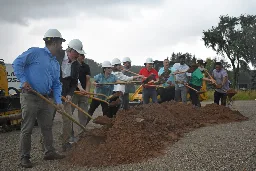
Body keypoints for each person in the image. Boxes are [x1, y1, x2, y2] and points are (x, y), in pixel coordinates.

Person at [12, 29, 66, 168]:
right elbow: (17, 63)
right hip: (30, 96)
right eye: (60, 43)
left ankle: (49, 152)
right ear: (54, 42)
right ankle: (24, 157)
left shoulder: (55, 63)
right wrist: (23, 80)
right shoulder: (35, 52)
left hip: (45, 98)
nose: (61, 46)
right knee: (27, 127)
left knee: (47, 127)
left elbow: (57, 83)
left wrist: (58, 101)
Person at [55, 39, 86, 151]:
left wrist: (69, 94)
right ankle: (46, 146)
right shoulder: (57, 56)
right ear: (70, 50)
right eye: (76, 52)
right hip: (51, 92)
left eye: (79, 53)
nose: (78, 55)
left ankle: (65, 142)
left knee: (68, 119)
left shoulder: (77, 65)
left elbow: (73, 83)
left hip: (65, 94)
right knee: (48, 121)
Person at [71, 53, 91, 134]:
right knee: (69, 112)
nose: (83, 57)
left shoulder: (86, 67)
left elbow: (88, 80)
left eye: (84, 55)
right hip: (73, 93)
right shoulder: (72, 65)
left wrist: (87, 91)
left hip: (83, 94)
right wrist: (80, 89)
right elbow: (74, 79)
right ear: (77, 55)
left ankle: (82, 133)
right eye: (81, 55)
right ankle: (69, 133)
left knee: (83, 114)